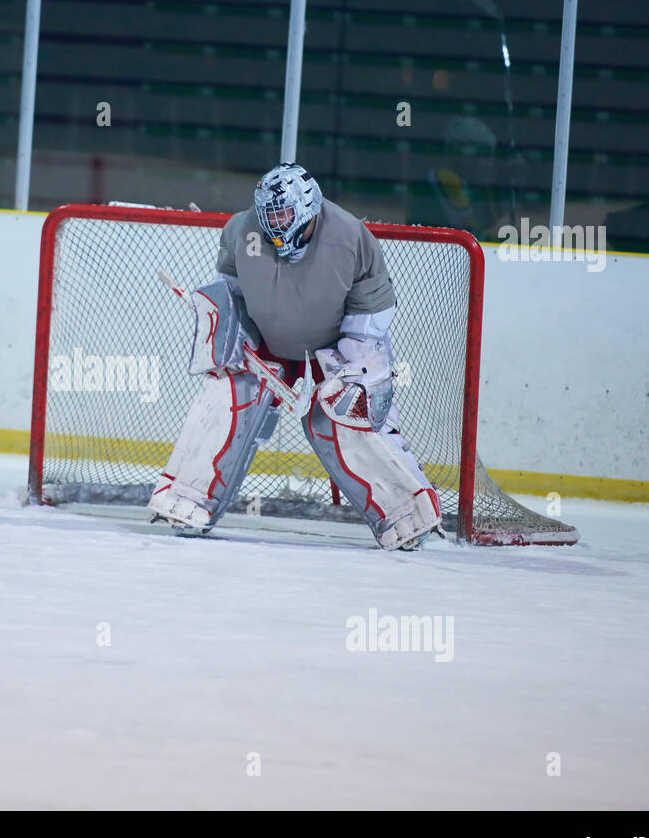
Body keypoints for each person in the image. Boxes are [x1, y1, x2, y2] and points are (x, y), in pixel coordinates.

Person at [147, 162, 442, 550]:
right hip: (269, 341)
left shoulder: (350, 236)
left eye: (283, 213)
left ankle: (410, 516)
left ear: (308, 209)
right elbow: (232, 292)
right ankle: (187, 499)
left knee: (345, 411)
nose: (273, 222)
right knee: (226, 394)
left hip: (336, 348)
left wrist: (344, 370)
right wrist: (232, 333)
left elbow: (370, 318)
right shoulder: (241, 229)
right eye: (268, 213)